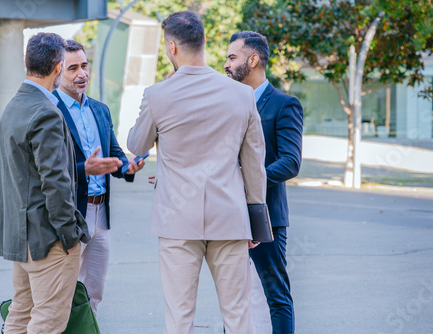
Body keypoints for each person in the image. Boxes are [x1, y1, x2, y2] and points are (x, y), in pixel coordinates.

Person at [127, 11, 267, 334]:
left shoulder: (158, 94)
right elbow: (254, 164)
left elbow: (137, 143)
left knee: (179, 319)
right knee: (237, 316)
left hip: (177, 221)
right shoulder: (242, 94)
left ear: (172, 48)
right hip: (230, 218)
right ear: (204, 42)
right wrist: (255, 221)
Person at [0, 32, 90, 334]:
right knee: (47, 324)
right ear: (58, 67)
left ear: (28, 63)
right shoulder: (45, 113)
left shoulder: (13, 106)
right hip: (47, 240)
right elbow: (56, 183)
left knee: (20, 317)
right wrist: (69, 235)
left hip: (20, 238)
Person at [52, 40, 145, 315]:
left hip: (99, 213)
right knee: (62, 291)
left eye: (84, 65)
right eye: (73, 68)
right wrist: (85, 170)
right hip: (69, 214)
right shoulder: (50, 109)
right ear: (58, 70)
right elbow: (47, 169)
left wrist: (127, 167)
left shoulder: (101, 110)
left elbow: (114, 154)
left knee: (93, 291)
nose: (82, 74)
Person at [224, 31, 304, 334]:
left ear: (253, 59)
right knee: (231, 297)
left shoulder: (284, 104)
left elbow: (290, 162)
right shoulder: (227, 102)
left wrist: (247, 181)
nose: (227, 64)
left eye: (232, 57)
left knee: (276, 296)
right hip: (227, 214)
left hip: (265, 216)